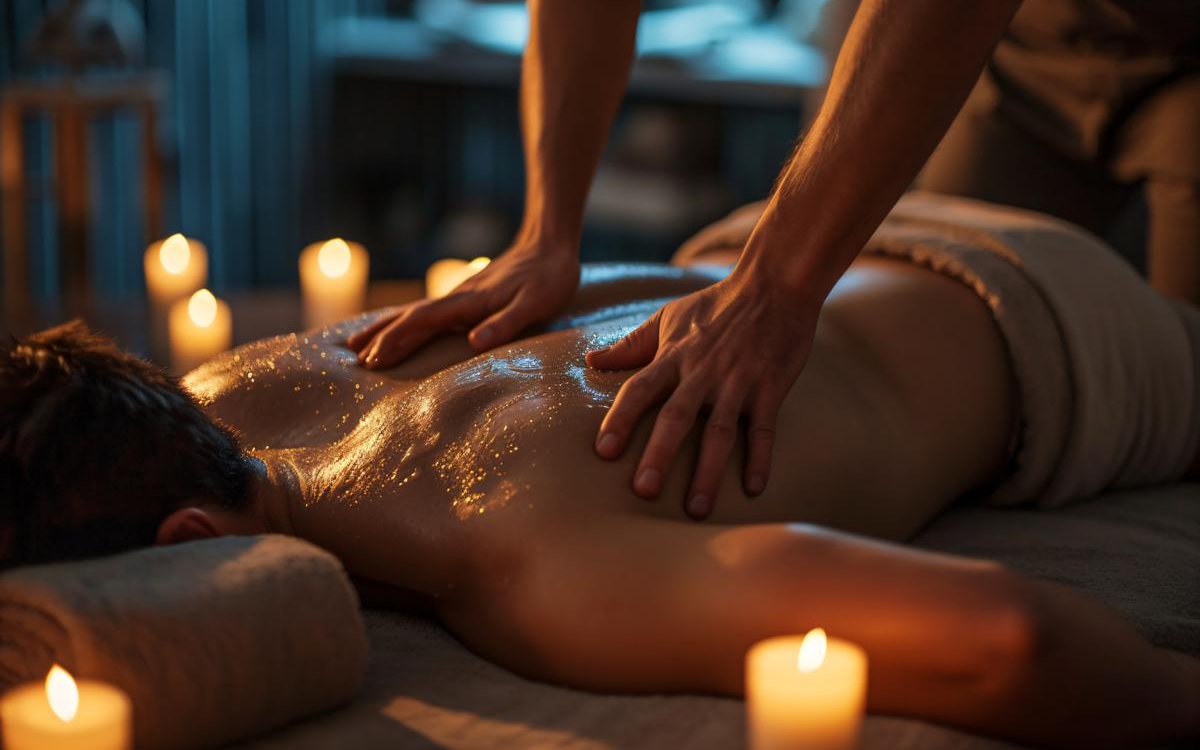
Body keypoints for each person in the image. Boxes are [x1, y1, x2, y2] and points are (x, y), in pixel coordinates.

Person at [3, 197, 1199, 748]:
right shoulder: (212, 387)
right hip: (786, 227)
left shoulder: (527, 562)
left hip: (1063, 327)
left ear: (191, 550)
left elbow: (1008, 640)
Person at [350, 0, 1200, 519]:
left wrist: (776, 282)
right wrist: (547, 231)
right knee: (952, 347)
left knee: (1184, 407)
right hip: (1015, 40)